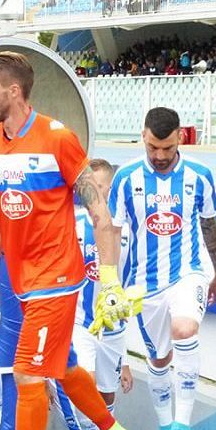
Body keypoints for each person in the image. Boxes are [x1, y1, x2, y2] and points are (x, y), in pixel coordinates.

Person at [0, 51, 135, 430]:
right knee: (60, 366)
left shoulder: (58, 138)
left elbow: (100, 213)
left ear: (13, 92)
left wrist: (109, 281)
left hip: (57, 279)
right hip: (22, 280)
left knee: (28, 373)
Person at [107, 107, 216, 430]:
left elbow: (209, 225)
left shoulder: (199, 176)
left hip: (187, 272)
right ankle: (163, 426)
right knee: (158, 360)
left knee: (185, 329)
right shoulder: (125, 178)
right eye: (153, 147)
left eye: (167, 148)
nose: (159, 156)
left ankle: (181, 428)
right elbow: (111, 231)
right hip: (143, 284)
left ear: (180, 139)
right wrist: (110, 282)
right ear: (143, 137)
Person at [73, 158, 132, 416]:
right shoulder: (72, 224)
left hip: (113, 329)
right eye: (89, 187)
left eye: (99, 187)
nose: (93, 194)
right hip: (80, 324)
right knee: (86, 387)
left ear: (111, 188)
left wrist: (125, 359)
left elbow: (127, 287)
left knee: (107, 394)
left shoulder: (126, 230)